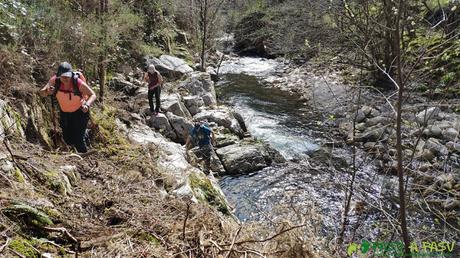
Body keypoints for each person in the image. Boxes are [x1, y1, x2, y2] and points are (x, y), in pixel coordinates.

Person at [39, 62, 96, 153]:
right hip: (65, 113)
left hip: (80, 112)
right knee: (68, 139)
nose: (65, 79)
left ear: (71, 74)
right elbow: (42, 93)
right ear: (58, 75)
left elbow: (93, 94)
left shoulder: (78, 83)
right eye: (63, 76)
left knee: (78, 140)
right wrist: (47, 91)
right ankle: (84, 134)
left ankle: (84, 158)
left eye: (67, 76)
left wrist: (87, 105)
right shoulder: (55, 81)